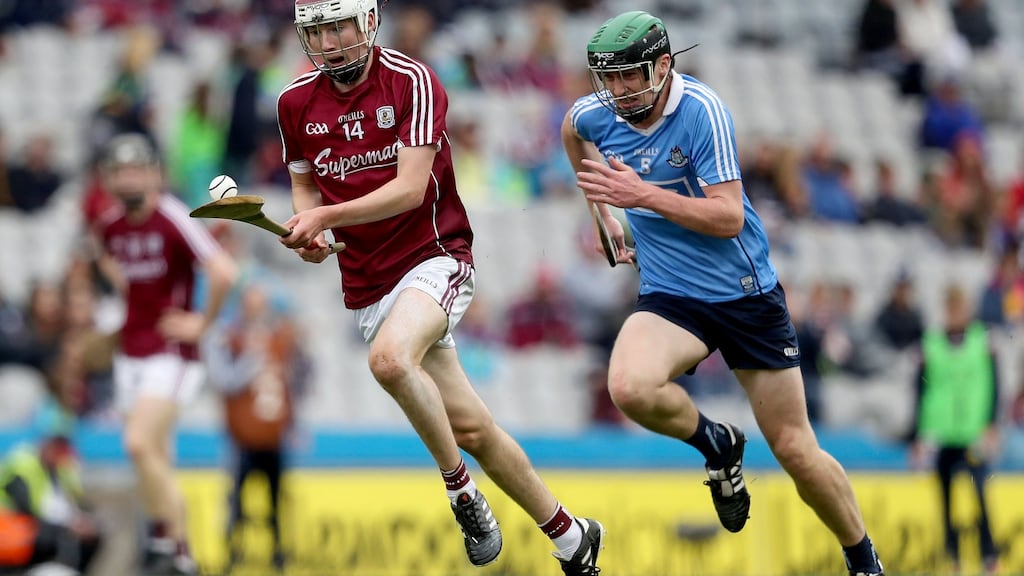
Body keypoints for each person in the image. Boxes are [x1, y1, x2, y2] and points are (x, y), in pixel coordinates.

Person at [275, 1, 603, 573]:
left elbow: (408, 189)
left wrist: (326, 219)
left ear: (368, 23)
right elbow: (305, 186)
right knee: (473, 427)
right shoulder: (294, 102)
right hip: (370, 282)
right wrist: (310, 232)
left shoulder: (413, 81)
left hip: (434, 257)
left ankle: (461, 493)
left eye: (339, 26)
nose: (329, 42)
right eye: (317, 31)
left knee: (389, 360)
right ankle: (571, 534)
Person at [561, 11, 885, 576]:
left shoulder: (701, 111)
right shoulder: (595, 115)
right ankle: (717, 444)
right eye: (607, 78)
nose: (616, 91)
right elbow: (574, 134)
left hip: (744, 295)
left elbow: (729, 216)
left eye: (629, 76)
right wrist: (604, 217)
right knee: (628, 387)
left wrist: (641, 197)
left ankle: (864, 561)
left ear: (663, 66)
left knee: (794, 450)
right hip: (671, 294)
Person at [92, 133, 238, 575]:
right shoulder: (111, 225)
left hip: (171, 354)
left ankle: (173, 545)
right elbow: (106, 260)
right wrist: (128, 302)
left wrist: (203, 323)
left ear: (155, 173)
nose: (129, 178)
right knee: (154, 456)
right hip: (130, 355)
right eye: (121, 170)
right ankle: (174, 549)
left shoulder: (172, 215)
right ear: (109, 178)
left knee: (137, 443)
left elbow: (223, 271)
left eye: (138, 169)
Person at [204, 283, 309, 571]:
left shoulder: (277, 340)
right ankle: (232, 553)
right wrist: (252, 359)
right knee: (236, 501)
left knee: (276, 503)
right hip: (241, 438)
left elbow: (292, 384)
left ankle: (277, 553)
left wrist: (294, 424)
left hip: (273, 437)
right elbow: (223, 380)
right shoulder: (231, 340)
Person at [909, 284, 1000, 574]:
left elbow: (994, 386)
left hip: (973, 433)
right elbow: (920, 391)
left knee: (980, 497)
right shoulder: (931, 343)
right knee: (945, 499)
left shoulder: (982, 342)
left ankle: (989, 556)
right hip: (942, 434)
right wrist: (919, 434)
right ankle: (953, 559)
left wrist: (991, 425)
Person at [0, 431, 101, 575]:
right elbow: (26, 509)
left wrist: (84, 520)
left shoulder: (61, 467)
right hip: (11, 528)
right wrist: (68, 525)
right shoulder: (22, 464)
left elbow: (76, 499)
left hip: (44, 523)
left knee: (92, 536)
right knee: (50, 535)